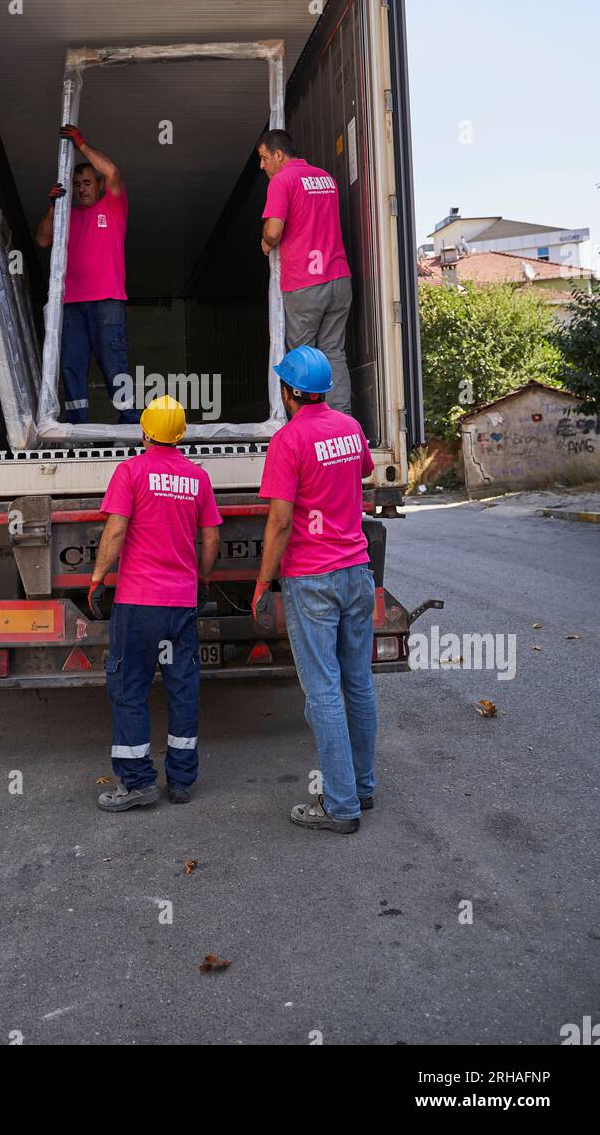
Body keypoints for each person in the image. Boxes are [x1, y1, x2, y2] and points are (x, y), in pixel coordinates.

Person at [252, 345, 375, 833]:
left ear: (287, 392)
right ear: (324, 389)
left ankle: (340, 806)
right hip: (357, 570)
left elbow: (280, 521)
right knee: (359, 683)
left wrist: (263, 581)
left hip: (312, 578)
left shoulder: (287, 440)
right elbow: (363, 470)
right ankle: (362, 790)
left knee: (323, 691)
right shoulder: (349, 427)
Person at [87, 395, 222, 812]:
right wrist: (198, 578)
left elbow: (114, 532)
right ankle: (181, 782)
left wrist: (97, 579)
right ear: (181, 435)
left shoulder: (131, 472)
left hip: (137, 603)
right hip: (180, 604)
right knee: (183, 689)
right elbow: (213, 537)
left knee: (130, 689)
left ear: (144, 431)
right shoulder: (197, 478)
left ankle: (139, 782)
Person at [35, 123, 138, 423]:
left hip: (108, 300)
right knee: (72, 365)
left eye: (88, 182)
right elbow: (42, 239)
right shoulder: (67, 215)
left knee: (114, 363)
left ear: (100, 185)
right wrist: (53, 209)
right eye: (77, 184)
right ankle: (77, 426)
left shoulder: (114, 206)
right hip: (71, 304)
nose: (82, 188)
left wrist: (81, 144)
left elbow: (114, 171)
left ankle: (130, 423)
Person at [257, 129, 353, 414]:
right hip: (338, 278)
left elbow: (274, 231)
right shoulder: (326, 178)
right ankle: (342, 421)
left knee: (303, 358)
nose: (262, 166)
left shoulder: (281, 181)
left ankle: (308, 426)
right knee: (334, 352)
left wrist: (265, 241)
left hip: (304, 284)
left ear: (278, 154)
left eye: (263, 158)